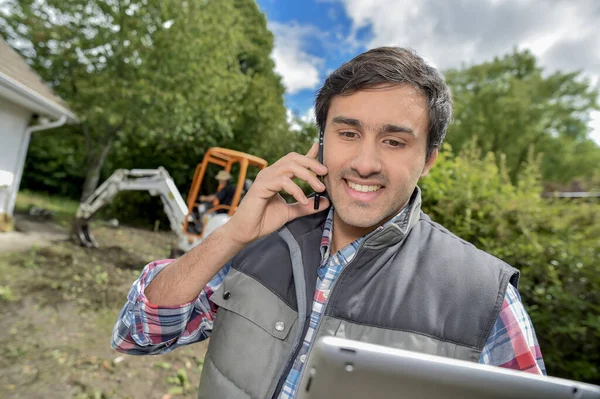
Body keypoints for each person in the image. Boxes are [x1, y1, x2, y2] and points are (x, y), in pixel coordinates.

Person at [112, 47, 545, 399]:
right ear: (320, 144)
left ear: (428, 160)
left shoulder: (486, 299)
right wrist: (233, 234)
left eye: (394, 142)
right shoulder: (252, 244)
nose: (365, 163)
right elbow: (138, 334)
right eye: (348, 133)